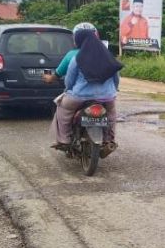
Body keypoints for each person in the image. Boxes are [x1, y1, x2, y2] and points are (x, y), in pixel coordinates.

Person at [52, 23, 123, 154]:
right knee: (111, 114)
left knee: (63, 109)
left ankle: (64, 139)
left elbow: (69, 80)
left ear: (78, 40)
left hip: (79, 97)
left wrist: (68, 90)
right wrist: (114, 89)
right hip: (106, 97)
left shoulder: (76, 58)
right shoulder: (107, 55)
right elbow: (116, 76)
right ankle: (109, 139)